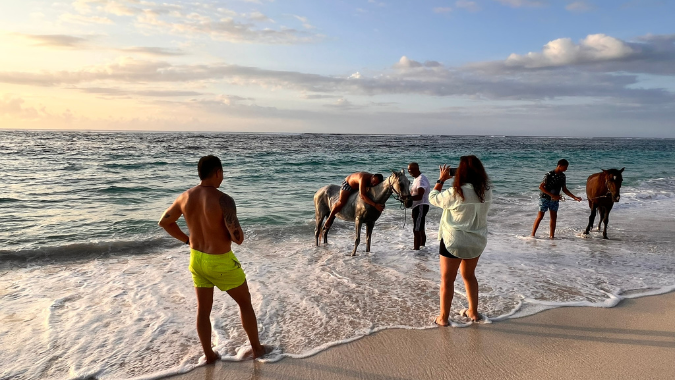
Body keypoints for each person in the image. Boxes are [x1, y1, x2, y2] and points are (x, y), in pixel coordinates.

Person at [158, 155, 270, 363]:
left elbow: (164, 222)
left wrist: (187, 239)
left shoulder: (184, 197)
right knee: (245, 302)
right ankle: (257, 349)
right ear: (218, 172)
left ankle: (209, 355)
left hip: (196, 260)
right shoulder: (223, 199)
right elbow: (238, 239)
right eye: (222, 173)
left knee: (203, 310)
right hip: (220, 261)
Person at [429, 156, 492, 325]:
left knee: (447, 280)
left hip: (453, 240)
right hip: (476, 240)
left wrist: (441, 180)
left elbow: (433, 198)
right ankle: (473, 312)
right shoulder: (485, 191)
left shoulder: (456, 192)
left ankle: (443, 318)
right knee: (469, 276)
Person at [530, 159, 582, 239]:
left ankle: (552, 236)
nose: (566, 169)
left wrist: (574, 197)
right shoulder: (549, 174)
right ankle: (532, 235)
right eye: (565, 167)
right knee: (540, 216)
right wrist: (552, 195)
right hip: (544, 198)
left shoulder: (563, 176)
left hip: (555, 200)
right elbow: (541, 187)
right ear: (559, 166)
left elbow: (564, 189)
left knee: (553, 217)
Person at [407, 162, 431, 250]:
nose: (409, 172)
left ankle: (416, 250)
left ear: (416, 169)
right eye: (408, 170)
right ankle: (422, 247)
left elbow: (420, 196)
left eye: (410, 170)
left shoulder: (421, 179)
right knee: (420, 228)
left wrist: (408, 198)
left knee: (416, 229)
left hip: (421, 205)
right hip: (418, 206)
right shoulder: (417, 178)